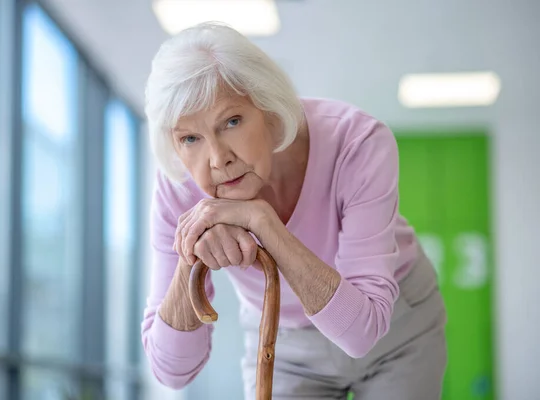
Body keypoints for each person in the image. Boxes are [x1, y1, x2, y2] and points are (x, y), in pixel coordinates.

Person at [140, 22, 447, 400]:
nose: (218, 159)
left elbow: (361, 332)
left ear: (269, 108)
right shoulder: (178, 190)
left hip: (398, 328)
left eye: (231, 122)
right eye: (190, 138)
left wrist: (264, 223)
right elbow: (172, 372)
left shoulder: (356, 142)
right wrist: (189, 258)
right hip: (284, 343)